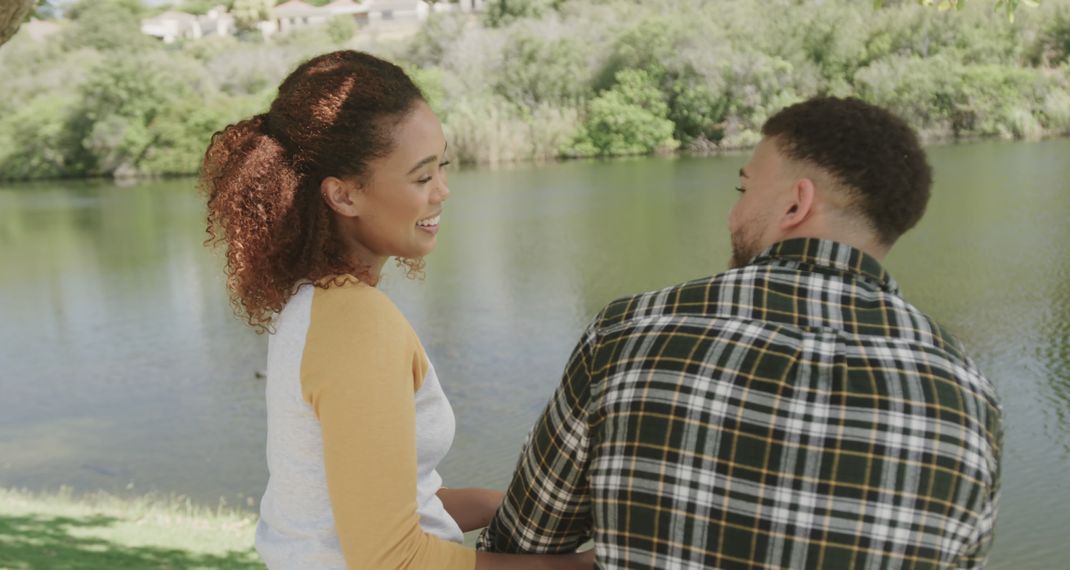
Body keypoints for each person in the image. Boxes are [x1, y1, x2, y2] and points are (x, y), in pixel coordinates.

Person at [478, 97, 1003, 569]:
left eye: (743, 187)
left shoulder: (628, 332)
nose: (733, 212)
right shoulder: (967, 398)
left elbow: (522, 542)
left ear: (796, 204)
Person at [201, 50, 592, 570]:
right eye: (422, 176)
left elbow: (381, 508)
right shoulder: (358, 324)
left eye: (443, 167)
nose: (443, 191)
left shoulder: (314, 305)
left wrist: (546, 511)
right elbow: (393, 559)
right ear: (343, 195)